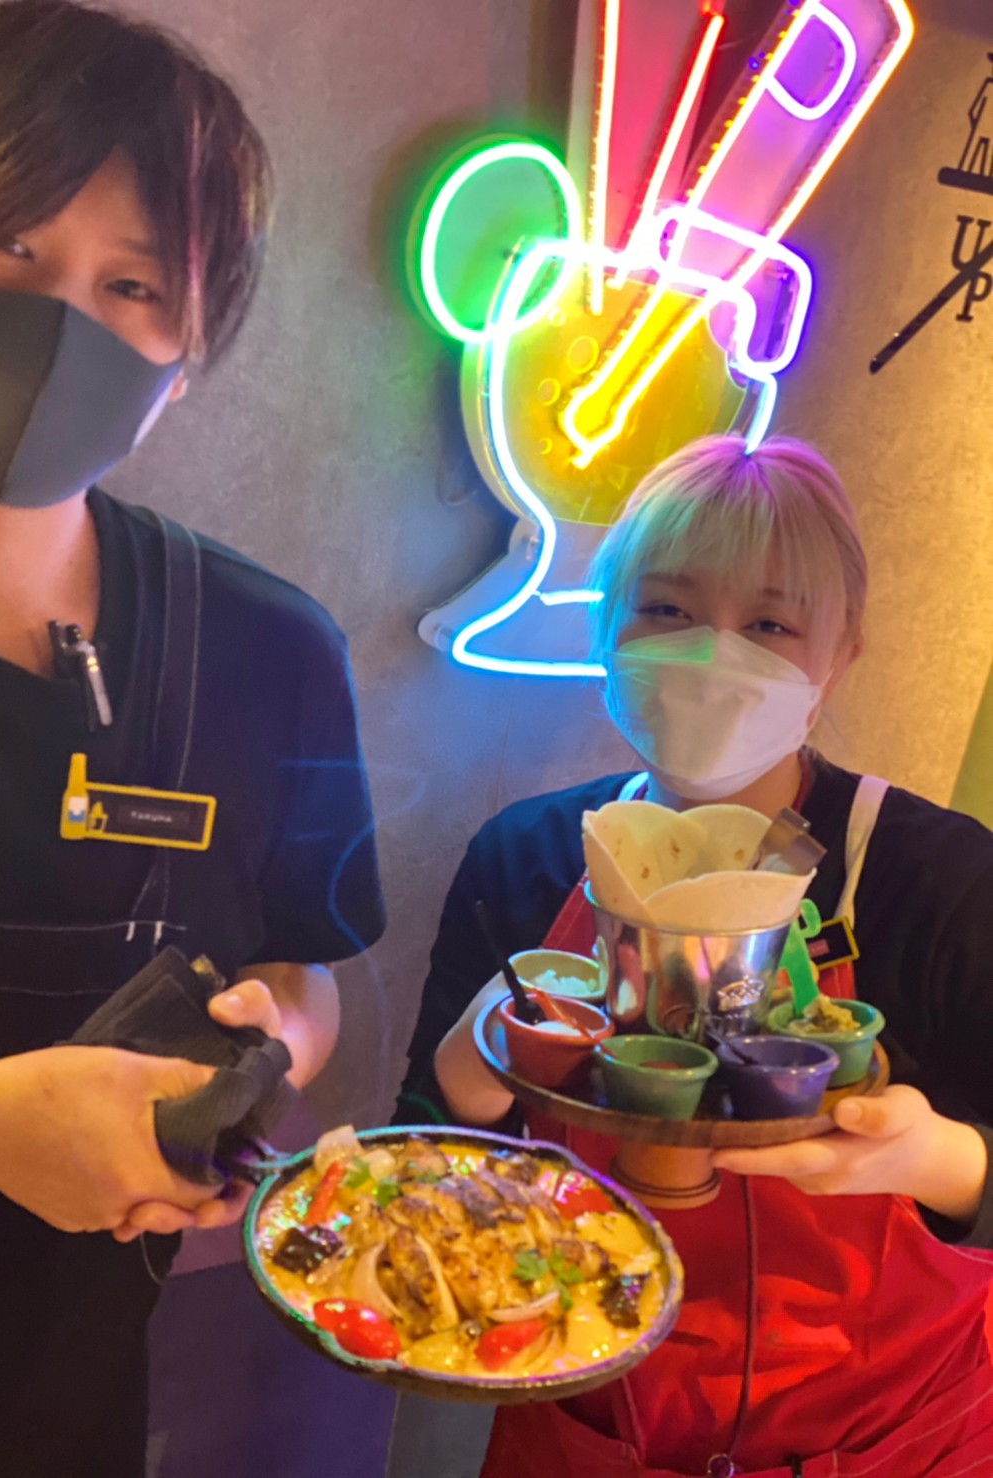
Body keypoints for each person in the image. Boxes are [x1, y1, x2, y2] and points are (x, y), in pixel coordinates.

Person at [0, 4, 384, 1475]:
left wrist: (268, 1043)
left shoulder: (271, 653)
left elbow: (307, 968)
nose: (61, 326)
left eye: (132, 285)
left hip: (71, 1415)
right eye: (9, 244)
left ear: (187, 353)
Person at [396, 434, 993, 1477]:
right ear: (607, 630)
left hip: (890, 1440)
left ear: (839, 656)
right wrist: (468, 1068)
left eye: (769, 624)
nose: (712, 653)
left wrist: (938, 1158)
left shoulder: (938, 877)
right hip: (582, 1430)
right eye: (666, 609)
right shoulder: (527, 854)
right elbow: (429, 1165)